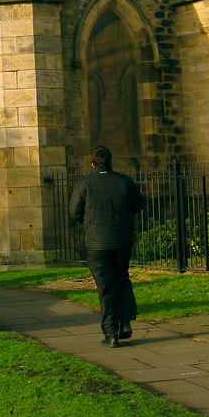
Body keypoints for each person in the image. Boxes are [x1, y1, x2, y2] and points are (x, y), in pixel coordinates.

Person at [69, 144, 143, 348]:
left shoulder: (84, 184)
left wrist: (90, 221)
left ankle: (111, 333)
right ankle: (125, 322)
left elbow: (75, 212)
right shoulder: (124, 181)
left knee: (105, 287)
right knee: (122, 279)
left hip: (97, 244)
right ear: (110, 162)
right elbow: (138, 204)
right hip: (121, 240)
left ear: (92, 163)